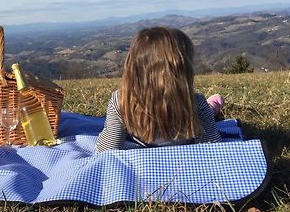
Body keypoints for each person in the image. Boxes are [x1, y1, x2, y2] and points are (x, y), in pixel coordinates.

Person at [95, 27, 225, 153]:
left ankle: (211, 108)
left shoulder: (121, 101)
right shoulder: (195, 103)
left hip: (141, 147)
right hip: (185, 142)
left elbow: (106, 150)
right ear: (183, 71)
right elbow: (212, 148)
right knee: (206, 111)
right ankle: (212, 108)